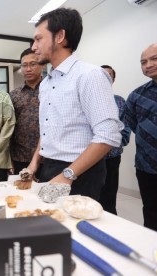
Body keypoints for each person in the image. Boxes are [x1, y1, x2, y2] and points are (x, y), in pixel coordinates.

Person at [27, 8, 123, 200]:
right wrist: (34, 163)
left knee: (73, 228)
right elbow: (47, 128)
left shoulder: (90, 76)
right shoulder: (46, 83)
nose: (33, 46)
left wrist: (68, 175)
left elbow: (108, 135)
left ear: (60, 36)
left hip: (80, 172)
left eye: (38, 39)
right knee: (51, 226)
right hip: (49, 167)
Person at [122, 43, 157, 231]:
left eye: (154, 59)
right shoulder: (136, 95)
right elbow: (133, 124)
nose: (148, 65)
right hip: (147, 166)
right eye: (143, 62)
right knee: (151, 211)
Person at [98, 65, 131, 215]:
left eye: (109, 75)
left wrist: (115, 145)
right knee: (91, 194)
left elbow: (126, 126)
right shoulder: (85, 100)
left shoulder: (119, 101)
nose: (105, 77)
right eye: (101, 74)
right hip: (90, 158)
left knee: (109, 194)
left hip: (112, 156)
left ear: (113, 79)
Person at [9, 48, 43, 175]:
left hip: (48, 157)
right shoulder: (14, 95)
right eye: (24, 65)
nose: (28, 69)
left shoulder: (52, 90)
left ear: (42, 65)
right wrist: (9, 158)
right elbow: (10, 128)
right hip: (20, 157)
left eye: (33, 64)